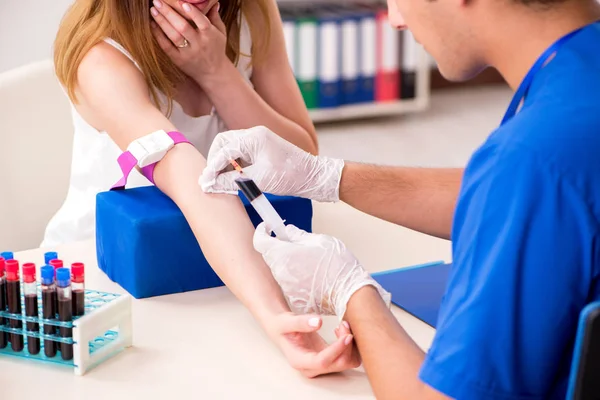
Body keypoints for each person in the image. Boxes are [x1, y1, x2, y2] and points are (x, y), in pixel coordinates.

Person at [199, 0, 600, 397]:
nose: (394, 20)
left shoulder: (535, 157)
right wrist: (326, 176)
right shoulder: (577, 82)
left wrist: (350, 291)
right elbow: (510, 195)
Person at [47, 0, 360, 377]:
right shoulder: (99, 53)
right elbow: (190, 177)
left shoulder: (253, 12)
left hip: (228, 257)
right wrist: (277, 316)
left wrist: (216, 72)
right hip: (107, 271)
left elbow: (301, 156)